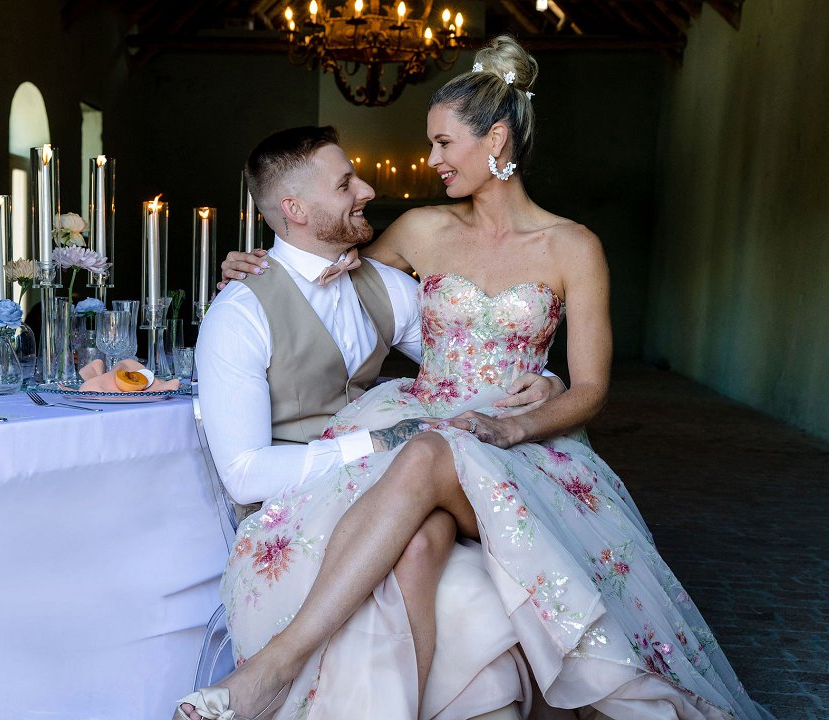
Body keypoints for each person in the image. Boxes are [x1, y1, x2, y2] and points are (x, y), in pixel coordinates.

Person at [185, 36, 775, 720]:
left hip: (522, 445)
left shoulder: (574, 247)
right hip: (429, 420)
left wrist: (529, 407)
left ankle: (272, 670)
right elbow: (332, 276)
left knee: (428, 452)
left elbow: (592, 389)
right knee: (419, 539)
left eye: (443, 142)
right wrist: (259, 266)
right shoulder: (419, 230)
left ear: (495, 140)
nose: (430, 159)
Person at [189, 125, 562, 720]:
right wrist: (374, 445)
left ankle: (286, 677)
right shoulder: (239, 313)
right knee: (461, 586)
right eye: (345, 184)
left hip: (395, 493)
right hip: (296, 508)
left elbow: (470, 367)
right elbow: (243, 475)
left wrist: (548, 382)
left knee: (435, 545)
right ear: (295, 209)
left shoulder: (385, 286)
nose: (366, 190)